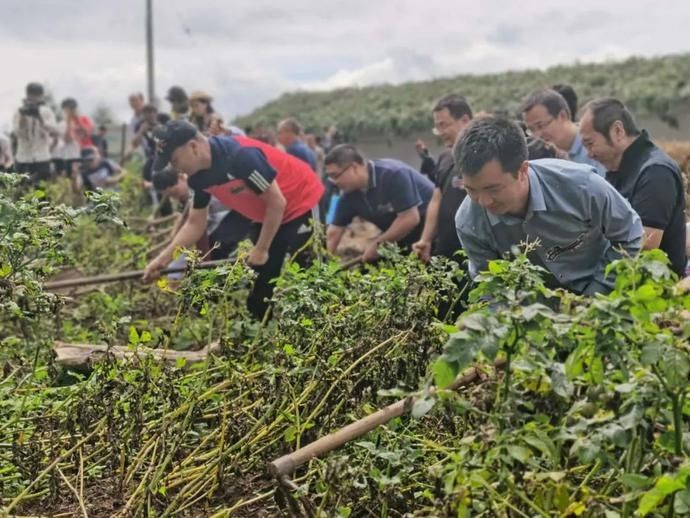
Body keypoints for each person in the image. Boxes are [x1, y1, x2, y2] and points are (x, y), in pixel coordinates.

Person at [142, 120, 324, 319]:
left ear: (193, 147)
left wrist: (262, 249)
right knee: (257, 271)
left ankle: (319, 314)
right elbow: (195, 224)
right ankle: (257, 321)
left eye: (174, 160)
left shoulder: (240, 157)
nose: (175, 168)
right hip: (264, 210)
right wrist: (163, 260)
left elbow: (277, 203)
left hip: (300, 200)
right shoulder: (197, 179)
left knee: (303, 265)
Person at [455, 116, 643, 296]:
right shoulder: (469, 221)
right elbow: (491, 288)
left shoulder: (581, 186)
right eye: (471, 190)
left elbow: (630, 235)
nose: (483, 201)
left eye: (493, 189)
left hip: (603, 297)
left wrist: (597, 296)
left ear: (522, 171)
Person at [579, 98, 686, 277]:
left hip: (656, 291)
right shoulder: (617, 172)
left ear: (617, 131)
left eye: (590, 144)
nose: (589, 154)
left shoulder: (655, 172)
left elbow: (646, 244)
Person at [325, 144, 434, 262]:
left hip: (430, 231)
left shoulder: (393, 174)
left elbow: (410, 218)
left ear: (354, 168)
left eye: (335, 176)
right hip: (399, 236)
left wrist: (378, 244)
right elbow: (334, 233)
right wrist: (321, 266)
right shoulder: (349, 196)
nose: (334, 182)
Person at [412, 94, 473, 262]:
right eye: (437, 127)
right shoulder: (446, 158)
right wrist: (425, 239)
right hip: (447, 247)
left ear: (465, 120)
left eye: (444, 125)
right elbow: (436, 200)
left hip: (476, 249)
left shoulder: (484, 157)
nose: (440, 133)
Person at [153, 167, 252, 260]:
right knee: (215, 243)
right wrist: (172, 238)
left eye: (175, 192)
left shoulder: (197, 186)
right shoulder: (185, 199)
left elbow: (195, 225)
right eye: (172, 196)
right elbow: (182, 218)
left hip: (247, 203)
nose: (176, 196)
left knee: (217, 244)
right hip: (235, 209)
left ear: (182, 178)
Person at [521, 88, 605, 175]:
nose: (537, 135)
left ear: (562, 116)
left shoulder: (593, 146)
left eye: (541, 126)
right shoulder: (545, 158)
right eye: (531, 130)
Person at [12, 82, 58, 182]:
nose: (34, 97)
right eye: (31, 94)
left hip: (42, 157)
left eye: (36, 95)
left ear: (40, 96)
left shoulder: (46, 111)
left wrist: (40, 118)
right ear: (27, 95)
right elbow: (18, 133)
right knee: (23, 190)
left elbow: (54, 129)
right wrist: (22, 119)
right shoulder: (19, 111)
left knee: (42, 190)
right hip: (23, 157)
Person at [57, 98, 94, 177]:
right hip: (71, 154)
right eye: (67, 109)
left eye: (72, 108)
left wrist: (78, 120)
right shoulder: (62, 124)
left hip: (85, 151)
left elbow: (87, 134)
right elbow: (66, 139)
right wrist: (69, 122)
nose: (70, 111)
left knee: (84, 177)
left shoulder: (84, 119)